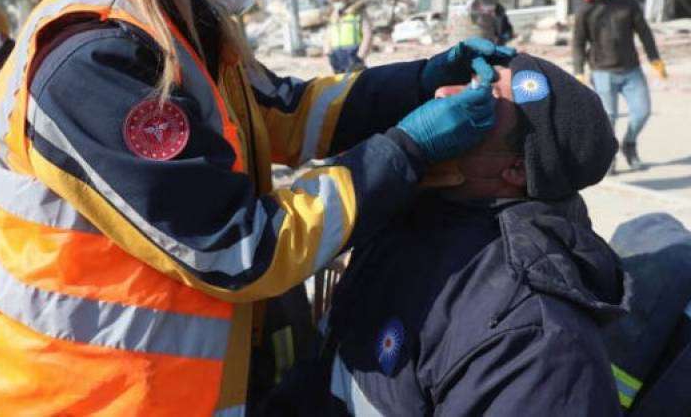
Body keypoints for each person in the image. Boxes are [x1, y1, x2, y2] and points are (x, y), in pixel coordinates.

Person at [0, 0, 515, 417]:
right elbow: (241, 247)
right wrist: (406, 152)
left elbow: (284, 112)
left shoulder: (181, 27)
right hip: (73, 394)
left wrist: (418, 80)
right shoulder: (95, 60)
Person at [263, 53, 626, 416]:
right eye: (470, 82)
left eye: (482, 99)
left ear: (515, 169)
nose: (442, 93)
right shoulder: (408, 215)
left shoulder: (533, 337)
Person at [573, 0, 666, 171]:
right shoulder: (584, 11)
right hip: (602, 72)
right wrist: (578, 71)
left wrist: (655, 58)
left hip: (631, 69)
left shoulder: (627, 4)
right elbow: (578, 42)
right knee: (609, 118)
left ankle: (629, 143)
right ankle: (609, 157)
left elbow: (644, 32)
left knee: (642, 111)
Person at [324, 0, 372, 73]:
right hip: (336, 56)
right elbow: (328, 36)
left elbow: (367, 35)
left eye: (338, 0)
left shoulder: (358, 13)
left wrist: (360, 57)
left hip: (354, 54)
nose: (336, 3)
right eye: (334, 1)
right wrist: (328, 54)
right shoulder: (333, 16)